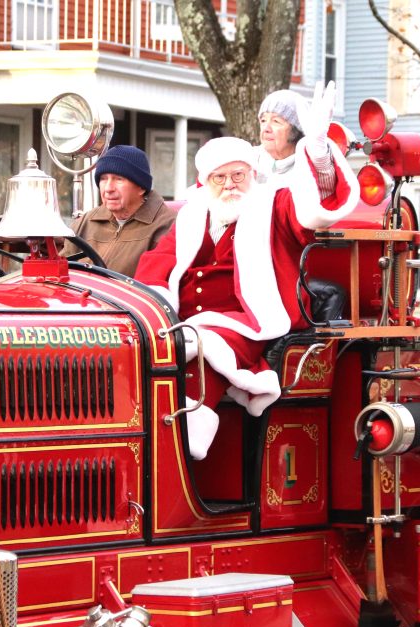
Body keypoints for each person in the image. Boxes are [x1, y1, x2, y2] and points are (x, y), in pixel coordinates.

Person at [134, 82, 358, 460]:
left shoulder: (272, 205)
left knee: (207, 346)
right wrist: (154, 309)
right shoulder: (191, 216)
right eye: (220, 178)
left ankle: (187, 428)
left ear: (252, 176)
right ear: (205, 182)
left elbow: (314, 207)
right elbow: (157, 265)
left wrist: (318, 151)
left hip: (251, 316)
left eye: (238, 176)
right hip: (187, 317)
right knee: (152, 344)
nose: (230, 185)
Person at [60, 145, 176, 277]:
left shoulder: (168, 226)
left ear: (141, 188)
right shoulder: (85, 222)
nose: (108, 188)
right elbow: (61, 271)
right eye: (103, 179)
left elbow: (157, 286)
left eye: (119, 179)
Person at [255, 89, 308, 188]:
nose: (266, 128)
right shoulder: (248, 160)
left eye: (276, 121)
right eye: (263, 120)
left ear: (296, 130)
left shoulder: (309, 169)